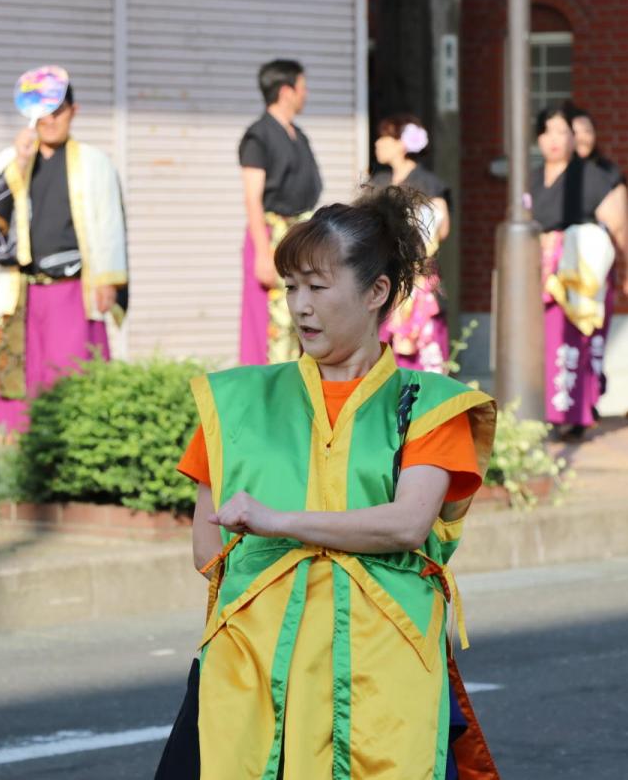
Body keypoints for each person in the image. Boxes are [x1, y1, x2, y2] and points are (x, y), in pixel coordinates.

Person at [154, 187, 501, 779]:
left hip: (383, 672)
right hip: (255, 664)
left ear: (376, 292)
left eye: (318, 287)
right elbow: (205, 551)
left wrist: (280, 524)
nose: (300, 306)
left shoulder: (431, 406)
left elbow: (407, 524)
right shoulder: (233, 402)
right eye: (291, 287)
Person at [0, 73, 129, 434]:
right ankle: (17, 457)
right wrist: (19, 162)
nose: (50, 120)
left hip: (74, 289)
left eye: (57, 110)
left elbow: (111, 223)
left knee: (74, 374)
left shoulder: (96, 162)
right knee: (20, 376)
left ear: (73, 111)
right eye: (43, 112)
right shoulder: (7, 159)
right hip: (22, 289)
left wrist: (109, 280)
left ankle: (76, 452)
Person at [527, 104, 628, 439]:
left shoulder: (591, 177)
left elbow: (619, 224)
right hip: (541, 270)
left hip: (577, 269)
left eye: (562, 132)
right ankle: (551, 409)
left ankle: (572, 413)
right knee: (545, 341)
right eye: (548, 131)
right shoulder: (532, 178)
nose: (555, 140)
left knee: (571, 339)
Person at [238, 59, 323, 365]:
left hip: (300, 239)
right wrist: (262, 252)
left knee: (304, 321)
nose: (306, 93)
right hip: (271, 236)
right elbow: (252, 198)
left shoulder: (298, 135)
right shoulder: (258, 136)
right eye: (303, 87)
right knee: (270, 324)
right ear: (287, 91)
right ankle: (267, 401)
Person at [569, 104, 628, 398]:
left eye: (587, 131)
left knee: (594, 332)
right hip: (560, 267)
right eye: (574, 132)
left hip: (595, 265)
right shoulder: (554, 175)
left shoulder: (607, 173)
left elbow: (622, 224)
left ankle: (590, 396)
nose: (582, 138)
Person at [369, 114, 452, 373]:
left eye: (384, 137)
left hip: (417, 278)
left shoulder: (427, 183)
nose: (378, 143)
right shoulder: (379, 182)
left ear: (401, 144)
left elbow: (442, 228)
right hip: (385, 278)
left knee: (426, 352)